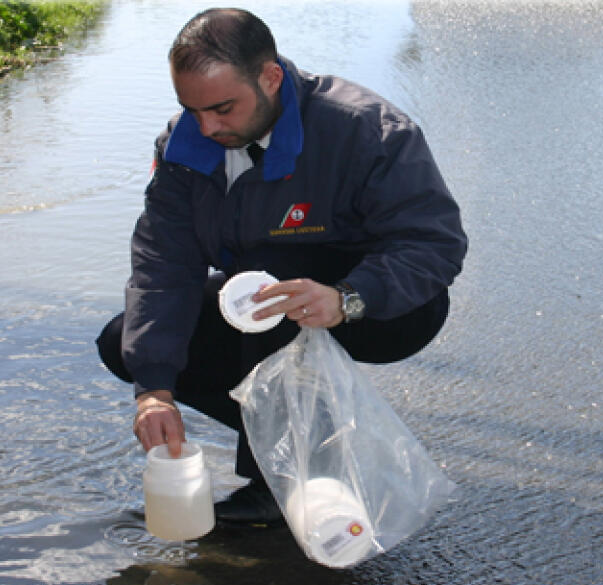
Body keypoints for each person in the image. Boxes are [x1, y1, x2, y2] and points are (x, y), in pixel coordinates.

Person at [96, 8, 467, 527]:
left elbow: (435, 244)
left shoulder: (365, 129)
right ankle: (314, 453)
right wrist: (154, 391)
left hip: (384, 307)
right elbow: (164, 267)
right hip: (269, 302)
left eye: (223, 108)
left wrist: (347, 298)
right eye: (192, 109)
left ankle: (275, 486)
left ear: (269, 78)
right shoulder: (185, 146)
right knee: (125, 344)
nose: (207, 126)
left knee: (271, 278)